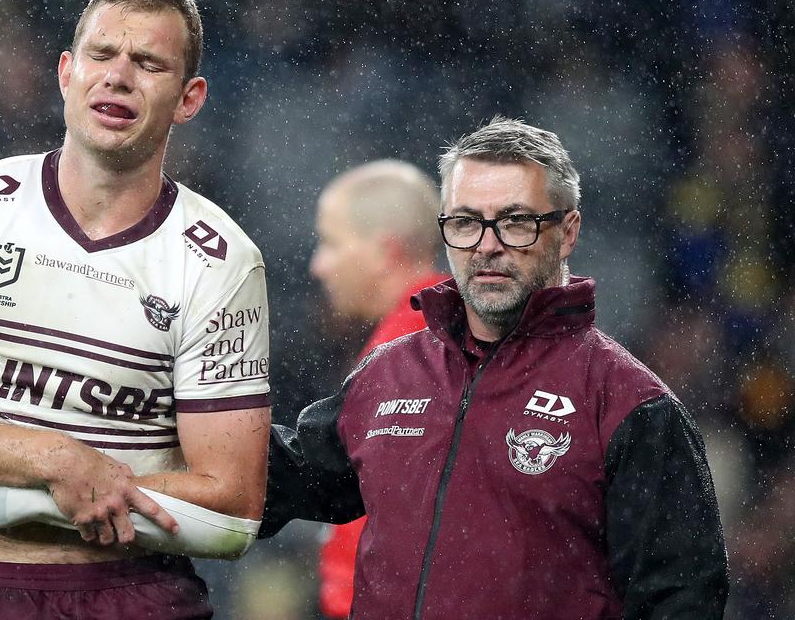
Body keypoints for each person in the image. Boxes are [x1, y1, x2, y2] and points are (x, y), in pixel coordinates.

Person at [0, 0, 271, 619]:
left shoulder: (220, 261)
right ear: (67, 72)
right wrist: (54, 459)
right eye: (103, 54)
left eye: (148, 63)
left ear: (189, 99)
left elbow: (235, 501)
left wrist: (47, 492)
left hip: (144, 598)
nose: (119, 75)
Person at [262, 117, 728, 619]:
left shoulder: (630, 405)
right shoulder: (389, 372)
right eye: (464, 222)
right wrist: (179, 416)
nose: (486, 244)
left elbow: (682, 601)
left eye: (515, 221)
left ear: (568, 231)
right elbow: (282, 479)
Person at [306, 160, 447, 619]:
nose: (318, 266)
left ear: (385, 250)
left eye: (330, 242)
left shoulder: (414, 351)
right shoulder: (430, 336)